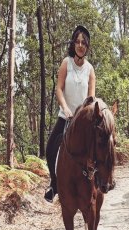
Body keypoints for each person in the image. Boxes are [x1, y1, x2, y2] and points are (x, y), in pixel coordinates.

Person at [44, 25, 96, 202]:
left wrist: (84, 113)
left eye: (84, 42)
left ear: (87, 46)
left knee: (98, 145)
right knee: (50, 147)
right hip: (65, 116)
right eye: (78, 42)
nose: (80, 45)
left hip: (82, 119)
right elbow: (58, 88)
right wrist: (65, 108)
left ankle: (100, 181)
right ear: (73, 44)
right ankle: (54, 185)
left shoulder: (90, 70)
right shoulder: (66, 63)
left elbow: (91, 97)